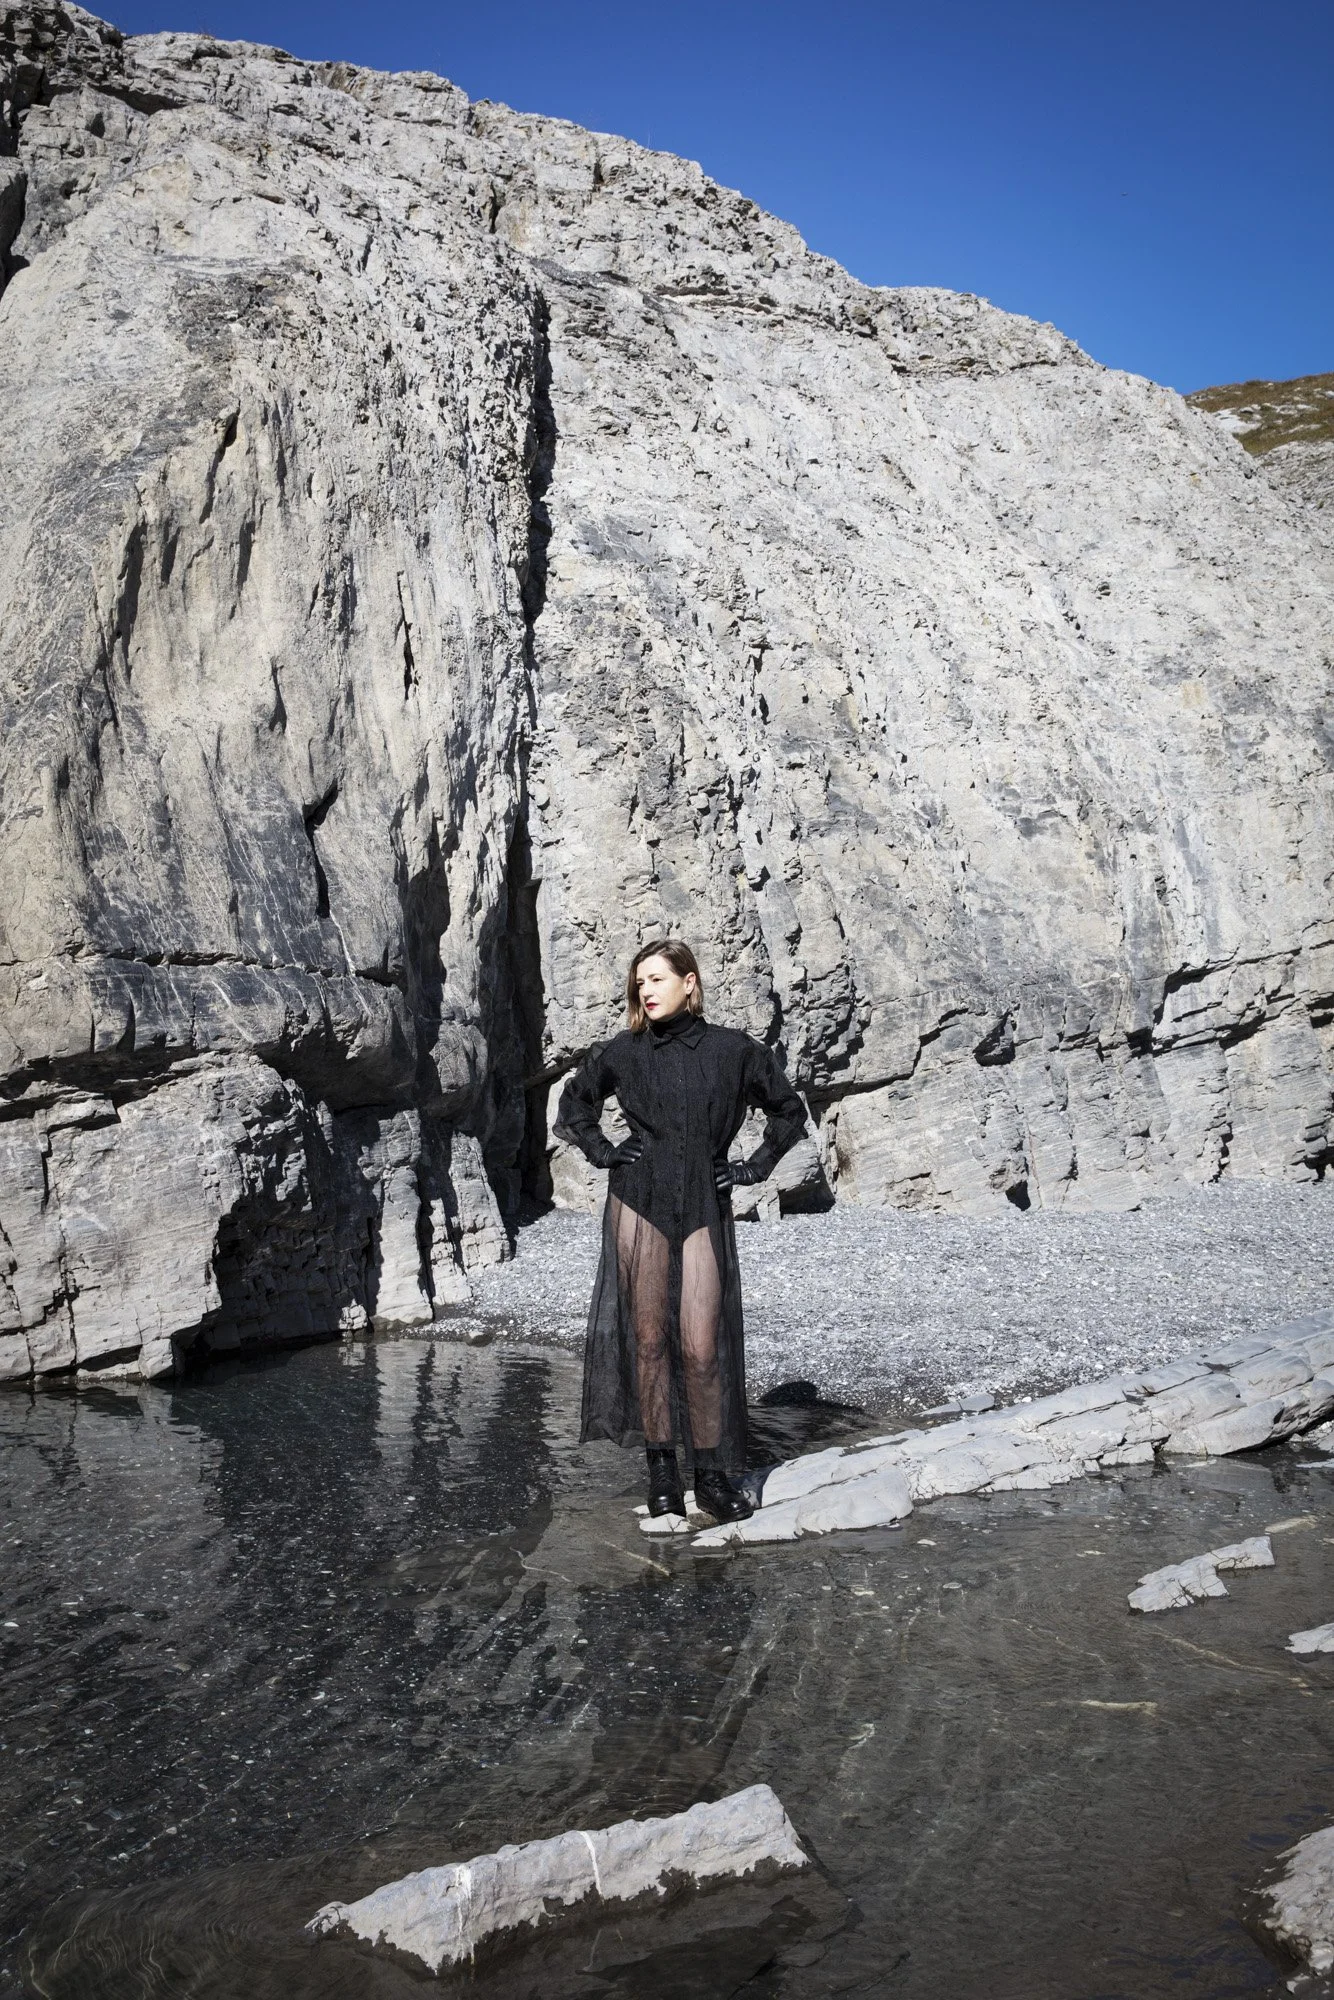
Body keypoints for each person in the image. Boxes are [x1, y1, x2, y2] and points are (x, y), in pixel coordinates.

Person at [553, 939, 809, 1524]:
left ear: (689, 982)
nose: (645, 990)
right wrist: (605, 1152)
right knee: (649, 1342)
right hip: (639, 1201)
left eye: (657, 979)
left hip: (701, 1204)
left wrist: (751, 1168)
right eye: (639, 981)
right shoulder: (624, 1051)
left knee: (699, 1346)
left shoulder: (733, 1050)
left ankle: (711, 1477)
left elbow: (788, 1110)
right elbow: (574, 1105)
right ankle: (662, 1475)